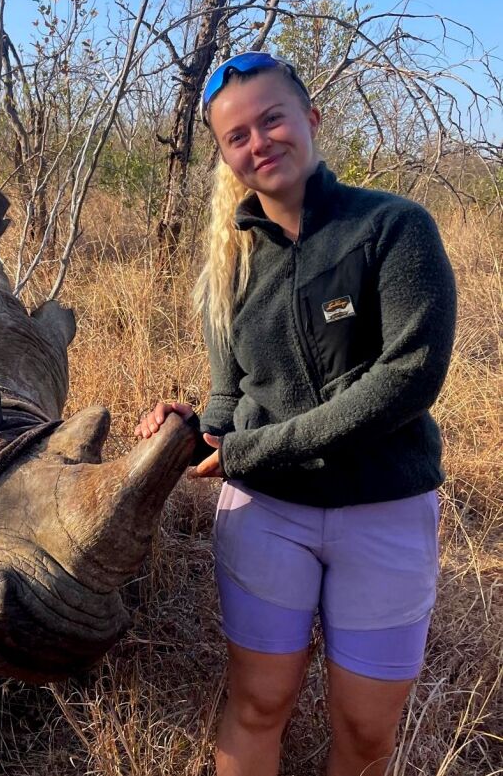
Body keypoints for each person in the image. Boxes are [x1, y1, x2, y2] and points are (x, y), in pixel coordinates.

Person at [135, 52, 456, 776]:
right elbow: (229, 403)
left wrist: (254, 450)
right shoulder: (231, 261)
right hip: (266, 515)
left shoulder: (394, 229)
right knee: (257, 702)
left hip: (386, 509)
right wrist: (189, 432)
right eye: (237, 136)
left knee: (366, 730)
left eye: (272, 118)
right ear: (225, 155)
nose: (260, 142)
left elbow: (409, 378)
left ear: (310, 118)